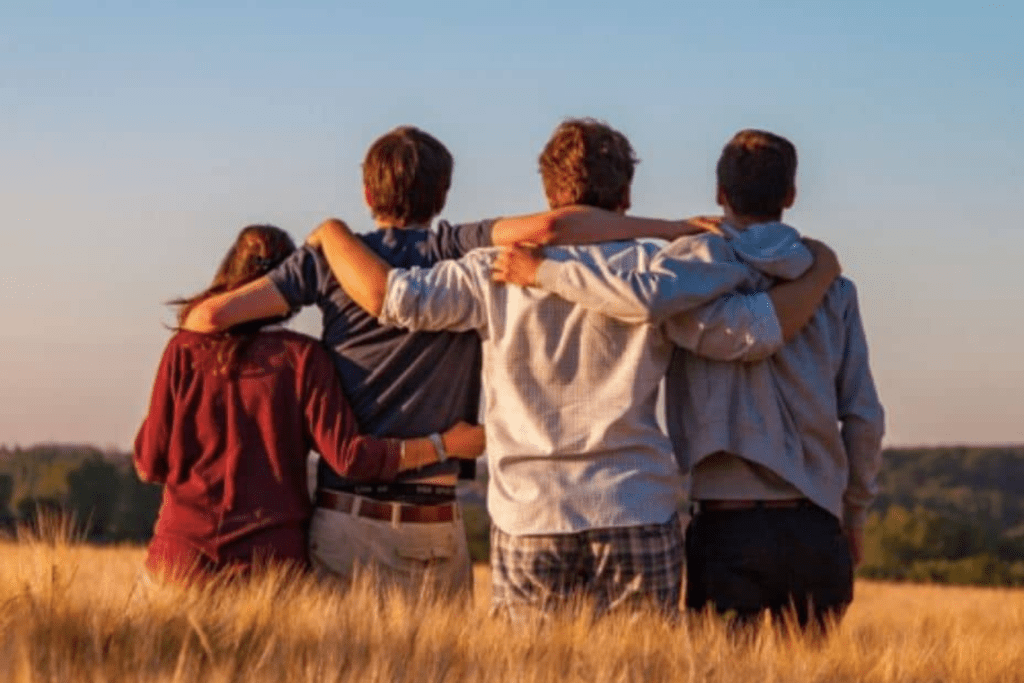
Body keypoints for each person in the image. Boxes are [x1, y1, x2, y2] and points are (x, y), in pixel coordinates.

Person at [307, 118, 842, 620]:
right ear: (625, 196)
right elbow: (750, 334)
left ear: (548, 192)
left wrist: (332, 233)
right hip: (635, 504)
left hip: (530, 513)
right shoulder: (658, 271)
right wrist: (821, 272)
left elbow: (394, 298)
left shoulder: (490, 271)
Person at [497, 129, 884, 629]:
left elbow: (638, 299)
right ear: (790, 195)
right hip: (816, 524)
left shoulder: (685, 277)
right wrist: (854, 513)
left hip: (726, 525)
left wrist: (544, 272)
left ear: (720, 195)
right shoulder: (833, 289)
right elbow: (863, 416)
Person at [135, 225, 484, 585]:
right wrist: (444, 445)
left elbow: (149, 463)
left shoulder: (184, 350)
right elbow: (350, 457)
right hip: (269, 567)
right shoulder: (303, 358)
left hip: (179, 561)